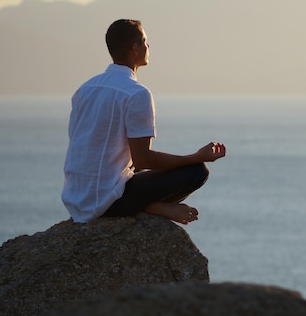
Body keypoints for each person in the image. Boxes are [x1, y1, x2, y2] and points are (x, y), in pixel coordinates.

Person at [61, 19, 225, 224]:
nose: (149, 46)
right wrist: (195, 157)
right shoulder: (136, 93)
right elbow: (143, 158)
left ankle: (149, 205)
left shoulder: (85, 89)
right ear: (135, 48)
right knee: (197, 172)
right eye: (145, 41)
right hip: (105, 202)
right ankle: (153, 207)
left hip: (76, 198)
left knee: (135, 168)